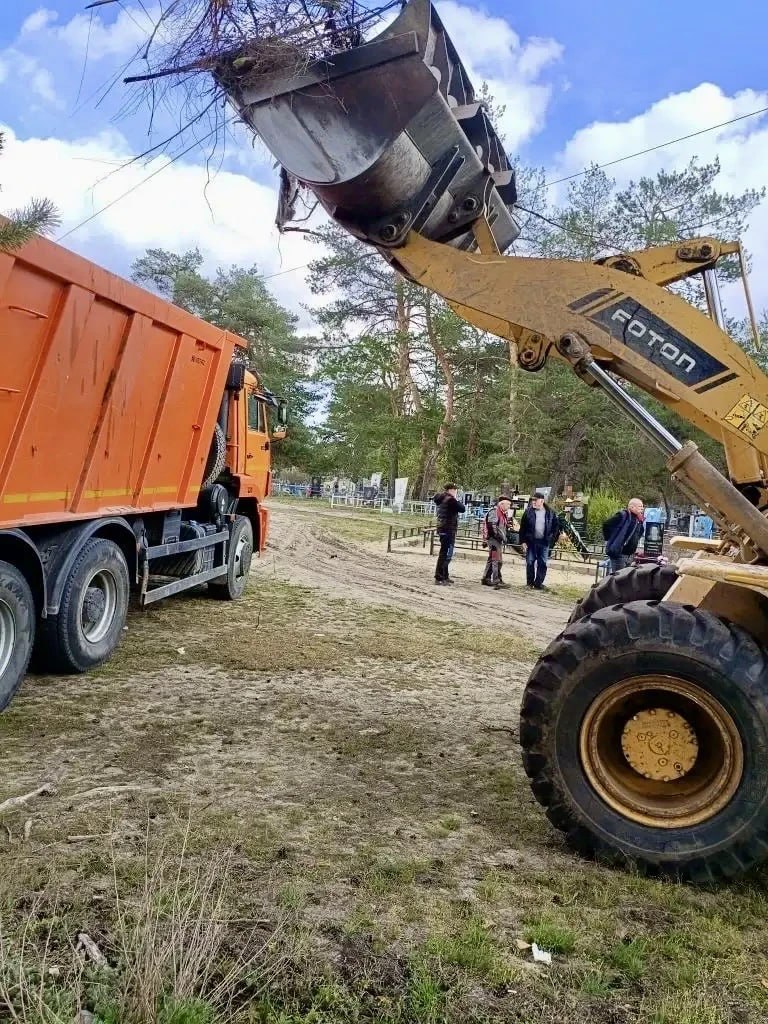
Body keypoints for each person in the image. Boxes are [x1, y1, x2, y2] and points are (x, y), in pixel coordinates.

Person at [519, 492, 561, 590]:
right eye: (532, 500)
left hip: (544, 542)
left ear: (542, 501)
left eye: (535, 500)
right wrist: (523, 541)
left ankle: (538, 583)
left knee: (543, 562)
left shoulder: (550, 513)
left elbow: (556, 527)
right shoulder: (528, 512)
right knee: (530, 562)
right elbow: (523, 528)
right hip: (531, 541)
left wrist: (551, 539)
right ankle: (529, 583)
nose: (533, 502)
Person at [432, 484, 465, 585]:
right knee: (445, 553)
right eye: (455, 490)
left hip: (443, 527)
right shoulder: (450, 499)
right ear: (451, 490)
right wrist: (456, 499)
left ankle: (445, 575)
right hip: (448, 528)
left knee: (446, 553)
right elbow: (462, 508)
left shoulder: (442, 498)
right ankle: (439, 577)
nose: (456, 492)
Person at [603, 498, 645, 574]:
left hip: (630, 556)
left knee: (625, 579)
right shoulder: (622, 515)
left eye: (642, 506)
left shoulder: (638, 519)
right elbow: (606, 524)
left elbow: (639, 533)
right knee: (618, 579)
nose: (642, 508)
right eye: (640, 506)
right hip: (619, 554)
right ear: (632, 507)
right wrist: (608, 539)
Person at [481, 496, 512, 589]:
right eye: (508, 504)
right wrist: (497, 536)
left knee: (492, 559)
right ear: (502, 504)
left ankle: (486, 578)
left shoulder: (502, 513)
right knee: (497, 560)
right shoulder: (494, 512)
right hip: (494, 540)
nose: (509, 506)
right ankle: (496, 580)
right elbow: (491, 526)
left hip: (496, 539)